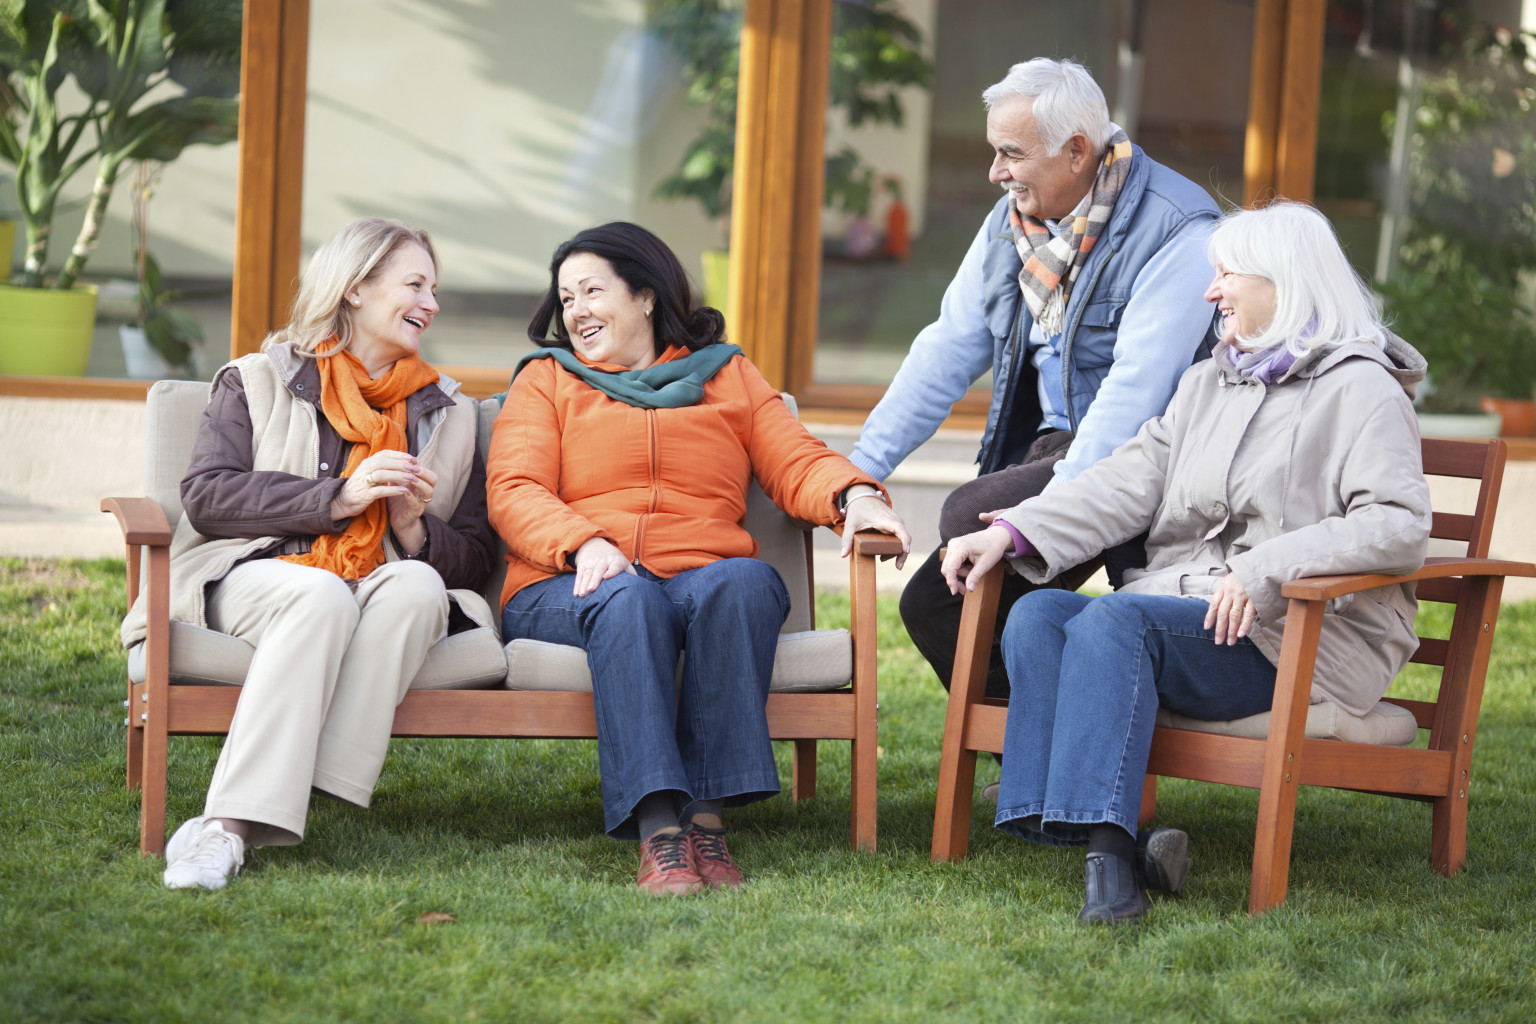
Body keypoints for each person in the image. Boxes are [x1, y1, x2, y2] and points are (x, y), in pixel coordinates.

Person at [940, 201, 1432, 925]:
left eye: (1228, 274)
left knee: (1119, 621)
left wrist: (1264, 572)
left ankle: (1110, 864)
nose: (1212, 292)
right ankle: (1125, 842)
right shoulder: (1211, 384)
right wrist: (1015, 533)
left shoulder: (1362, 392)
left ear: (1285, 282)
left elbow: (1397, 523)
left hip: (1296, 635)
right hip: (1195, 616)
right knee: (1040, 613)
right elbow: (1126, 480)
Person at [487, 222, 911, 895]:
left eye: (592, 291)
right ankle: (659, 833)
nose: (576, 312)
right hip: (572, 585)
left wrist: (854, 494)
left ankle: (705, 825)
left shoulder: (727, 376)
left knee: (744, 581)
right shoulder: (547, 382)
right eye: (566, 299)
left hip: (694, 580)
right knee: (628, 598)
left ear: (647, 296)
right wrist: (584, 541)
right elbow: (515, 488)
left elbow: (794, 457)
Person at [121, 218, 496, 890]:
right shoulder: (256, 379)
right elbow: (207, 497)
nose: (431, 303)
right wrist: (339, 499)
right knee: (321, 593)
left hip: (377, 585)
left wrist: (411, 528)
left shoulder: (454, 415)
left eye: (434, 288)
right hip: (252, 574)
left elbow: (473, 561)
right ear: (354, 288)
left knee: (415, 585)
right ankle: (228, 828)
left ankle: (302, 780)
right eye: (415, 284)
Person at [850, 57, 1221, 704]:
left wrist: (1052, 515)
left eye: (1011, 154)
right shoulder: (1012, 226)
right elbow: (946, 349)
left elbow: (1137, 393)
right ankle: (1032, 759)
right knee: (935, 607)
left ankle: (1073, 759)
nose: (995, 173)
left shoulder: (1179, 231)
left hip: (1150, 457)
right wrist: (859, 471)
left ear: (1077, 150)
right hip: (1060, 444)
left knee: (969, 521)